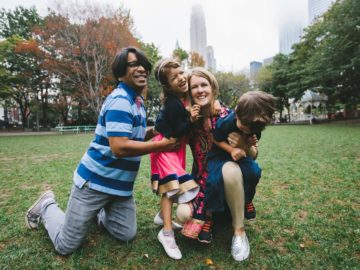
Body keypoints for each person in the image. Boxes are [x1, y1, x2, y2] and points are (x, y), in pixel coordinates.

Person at [24, 47, 179, 255]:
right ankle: (46, 205)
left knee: (126, 233)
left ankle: (98, 213)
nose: (141, 69)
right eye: (133, 64)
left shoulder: (137, 101)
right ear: (120, 73)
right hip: (94, 184)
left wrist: (158, 131)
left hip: (120, 188)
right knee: (65, 245)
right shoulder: (121, 101)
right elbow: (120, 147)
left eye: (143, 64)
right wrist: (163, 144)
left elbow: (134, 137)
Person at [175, 67, 275, 262]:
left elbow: (253, 156)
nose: (200, 90)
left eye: (204, 85)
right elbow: (172, 136)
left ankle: (239, 232)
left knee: (229, 169)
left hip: (230, 177)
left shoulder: (232, 116)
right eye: (194, 87)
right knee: (182, 214)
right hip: (203, 181)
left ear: (213, 88)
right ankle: (216, 214)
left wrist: (245, 145)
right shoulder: (189, 120)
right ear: (189, 93)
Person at [150, 58, 200, 260]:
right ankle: (167, 233)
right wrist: (190, 119)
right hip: (165, 147)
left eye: (181, 72)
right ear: (167, 85)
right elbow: (178, 131)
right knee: (171, 187)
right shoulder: (173, 104)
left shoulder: (183, 98)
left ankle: (163, 216)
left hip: (175, 149)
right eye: (174, 77)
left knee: (171, 186)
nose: (180, 78)